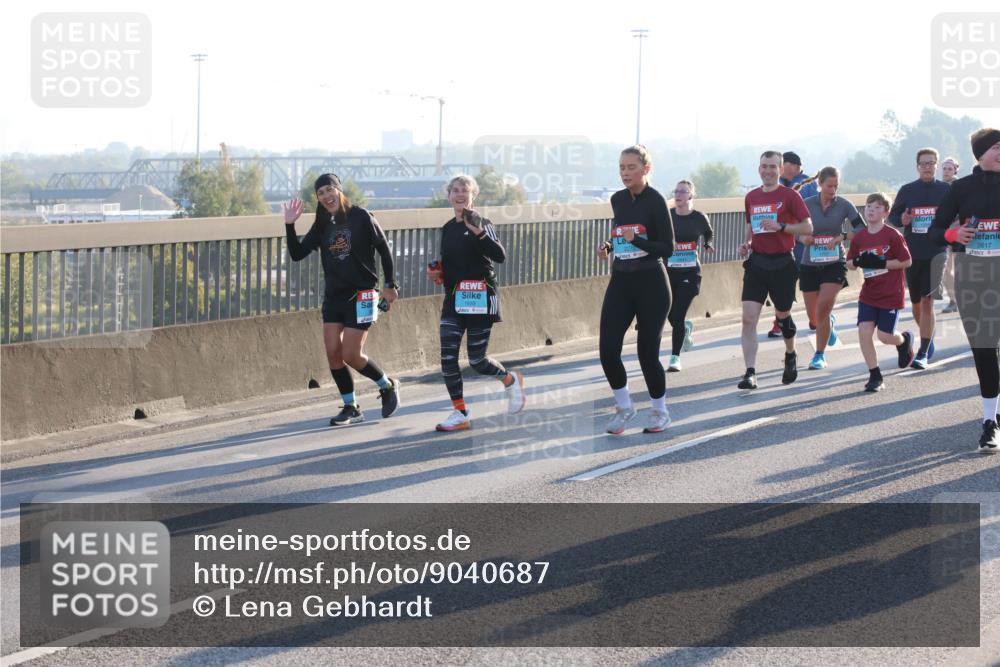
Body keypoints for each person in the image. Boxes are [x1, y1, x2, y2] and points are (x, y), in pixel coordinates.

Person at [283, 173, 401, 425]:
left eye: (329, 190)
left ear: (339, 190)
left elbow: (384, 249)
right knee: (333, 354)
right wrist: (290, 225)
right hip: (334, 297)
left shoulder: (361, 216)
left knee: (351, 354)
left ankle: (387, 385)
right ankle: (351, 406)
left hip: (363, 294)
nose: (326, 196)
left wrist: (390, 284)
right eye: (321, 193)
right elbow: (296, 254)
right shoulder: (323, 223)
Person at [427, 175, 526, 432]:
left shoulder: (483, 223)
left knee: (477, 361)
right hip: (455, 299)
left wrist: (479, 233)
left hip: (481, 297)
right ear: (448, 195)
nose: (460, 195)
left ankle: (510, 380)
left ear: (473, 197)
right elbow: (451, 264)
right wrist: (439, 274)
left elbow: (499, 255)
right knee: (447, 358)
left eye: (465, 191)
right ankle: (460, 412)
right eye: (455, 190)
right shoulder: (447, 228)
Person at [929, 128, 1000, 453]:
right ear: (982, 153)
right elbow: (935, 230)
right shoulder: (961, 188)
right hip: (972, 275)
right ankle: (990, 422)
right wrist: (953, 235)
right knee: (984, 349)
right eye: (997, 147)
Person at [597, 145, 674, 434]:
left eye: (631, 167)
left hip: (651, 282)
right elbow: (621, 233)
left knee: (646, 353)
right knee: (607, 350)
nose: (625, 172)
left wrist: (637, 241)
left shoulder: (655, 201)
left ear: (646, 169)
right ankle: (624, 407)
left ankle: (660, 411)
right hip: (621, 280)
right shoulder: (617, 199)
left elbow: (667, 247)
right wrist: (608, 245)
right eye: (621, 167)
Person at [736, 151, 813, 389]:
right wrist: (746, 243)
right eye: (763, 166)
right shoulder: (751, 197)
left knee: (783, 317)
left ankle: (790, 354)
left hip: (782, 264)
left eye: (772, 166)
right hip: (757, 263)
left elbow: (808, 226)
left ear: (780, 169)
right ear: (758, 169)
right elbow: (751, 225)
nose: (767, 171)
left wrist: (781, 226)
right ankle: (750, 372)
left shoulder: (790, 196)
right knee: (748, 318)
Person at [887, 148, 950, 369]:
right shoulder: (907, 190)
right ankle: (927, 335)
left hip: (936, 251)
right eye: (923, 163)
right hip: (912, 253)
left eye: (931, 163)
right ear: (917, 166)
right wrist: (902, 219)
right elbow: (893, 218)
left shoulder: (946, 190)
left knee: (927, 301)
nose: (927, 167)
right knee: (915, 303)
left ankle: (922, 352)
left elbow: (956, 215)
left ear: (937, 165)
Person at [845, 193, 914, 392]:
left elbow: (906, 261)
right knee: (864, 332)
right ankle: (875, 375)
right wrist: (859, 262)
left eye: (876, 207)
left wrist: (882, 262)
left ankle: (903, 340)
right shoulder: (860, 237)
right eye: (868, 206)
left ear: (886, 212)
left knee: (885, 336)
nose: (870, 210)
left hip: (891, 292)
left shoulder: (893, 235)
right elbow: (850, 263)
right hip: (869, 294)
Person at [799, 166, 865, 369]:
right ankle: (828, 324)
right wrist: (802, 237)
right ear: (820, 184)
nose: (833, 190)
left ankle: (819, 355)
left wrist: (842, 237)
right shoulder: (805, 204)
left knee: (823, 306)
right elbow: (790, 228)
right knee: (813, 316)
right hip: (809, 263)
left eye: (836, 186)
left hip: (834, 262)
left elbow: (862, 229)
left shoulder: (844, 205)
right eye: (829, 186)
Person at [766, 150, 820, 338]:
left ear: (795, 167)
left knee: (811, 284)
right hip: (783, 240)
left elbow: (813, 214)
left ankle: (816, 318)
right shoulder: (775, 184)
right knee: (784, 283)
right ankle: (780, 321)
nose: (779, 169)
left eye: (783, 165)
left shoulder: (808, 185)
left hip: (805, 240)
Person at [665, 179, 714, 372]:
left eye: (683, 192)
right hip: (669, 273)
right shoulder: (667, 216)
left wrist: (707, 244)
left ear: (691, 195)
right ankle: (684, 328)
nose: (678, 195)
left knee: (677, 314)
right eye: (676, 191)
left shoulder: (698, 217)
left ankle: (675, 357)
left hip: (690, 273)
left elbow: (708, 232)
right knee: (670, 315)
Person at [940, 156, 961, 314]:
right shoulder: (938, 186)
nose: (946, 171)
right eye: (944, 168)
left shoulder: (960, 186)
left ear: (955, 170)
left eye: (950, 168)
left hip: (960, 231)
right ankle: (953, 300)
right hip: (944, 232)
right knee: (946, 268)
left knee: (962, 268)